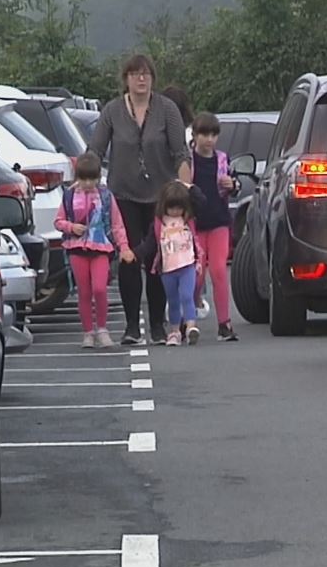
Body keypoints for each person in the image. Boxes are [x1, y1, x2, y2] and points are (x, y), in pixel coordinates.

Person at [89, 55, 192, 345]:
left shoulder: (167, 109)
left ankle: (158, 324)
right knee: (129, 258)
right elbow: (95, 149)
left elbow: (180, 153)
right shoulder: (112, 111)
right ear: (126, 79)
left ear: (152, 78)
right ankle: (132, 325)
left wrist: (185, 189)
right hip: (124, 195)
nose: (141, 79)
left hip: (161, 197)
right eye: (135, 74)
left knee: (159, 259)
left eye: (146, 74)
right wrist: (85, 181)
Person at [53, 152, 136, 348]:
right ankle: (88, 332)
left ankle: (102, 328)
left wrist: (124, 247)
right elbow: (58, 221)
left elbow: (117, 224)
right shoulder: (70, 195)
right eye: (84, 178)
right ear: (77, 177)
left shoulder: (106, 196)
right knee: (83, 291)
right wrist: (71, 227)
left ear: (99, 177)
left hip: (100, 246)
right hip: (77, 247)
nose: (88, 183)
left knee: (99, 288)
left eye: (92, 178)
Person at [135, 181, 207, 346]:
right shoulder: (160, 224)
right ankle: (175, 331)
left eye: (179, 208)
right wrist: (136, 253)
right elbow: (150, 244)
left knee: (187, 296)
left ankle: (190, 326)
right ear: (164, 206)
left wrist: (189, 187)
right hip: (168, 269)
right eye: (171, 208)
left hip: (187, 265)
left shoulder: (188, 220)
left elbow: (202, 202)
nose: (175, 212)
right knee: (173, 300)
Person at [189, 112, 241, 342]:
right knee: (197, 274)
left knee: (219, 270)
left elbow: (234, 183)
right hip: (195, 224)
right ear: (195, 135)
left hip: (219, 221)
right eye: (203, 134)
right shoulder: (189, 161)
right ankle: (188, 314)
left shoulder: (222, 159)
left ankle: (224, 323)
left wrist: (233, 184)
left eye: (213, 135)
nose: (208, 139)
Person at [162, 85, 212, 322]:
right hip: (189, 195)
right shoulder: (190, 133)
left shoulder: (165, 130)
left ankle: (174, 304)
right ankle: (196, 298)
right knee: (191, 247)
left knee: (169, 247)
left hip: (168, 194)